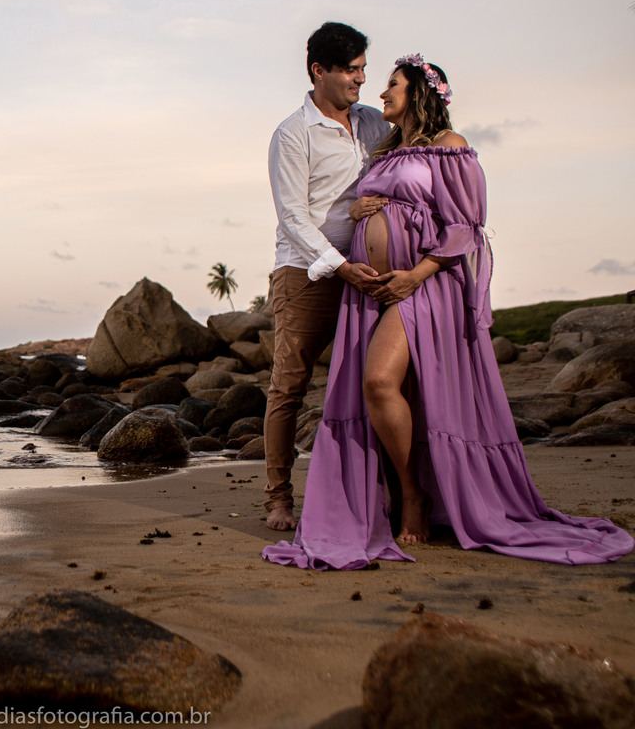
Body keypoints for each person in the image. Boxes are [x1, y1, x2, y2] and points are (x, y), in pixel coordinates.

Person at [263, 54, 634, 568]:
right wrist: (355, 211)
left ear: (418, 92)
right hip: (367, 292)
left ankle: (414, 495)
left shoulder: (450, 147)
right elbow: (343, 202)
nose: (378, 89)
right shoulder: (384, 146)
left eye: (390, 82)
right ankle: (391, 495)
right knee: (366, 389)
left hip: (420, 286)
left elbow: (466, 227)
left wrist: (415, 273)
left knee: (377, 383)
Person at [264, 22, 390, 531]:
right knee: (289, 385)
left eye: (364, 68)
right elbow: (293, 216)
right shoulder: (292, 134)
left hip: (369, 267)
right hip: (306, 272)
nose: (362, 79)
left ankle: (372, 492)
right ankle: (277, 498)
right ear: (320, 71)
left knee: (374, 380)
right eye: (352, 70)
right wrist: (340, 268)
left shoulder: (376, 124)